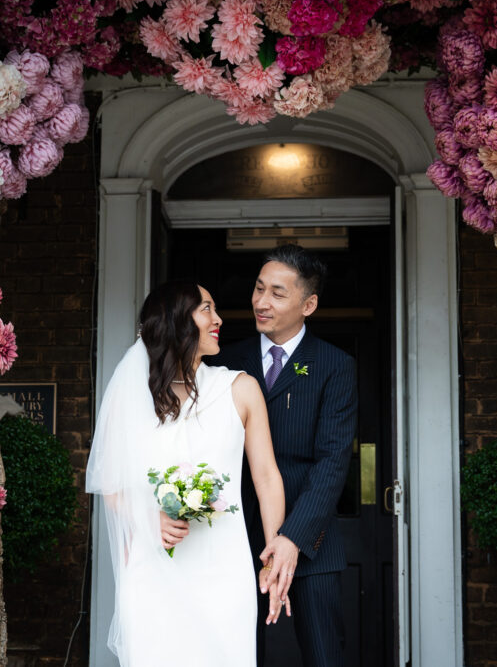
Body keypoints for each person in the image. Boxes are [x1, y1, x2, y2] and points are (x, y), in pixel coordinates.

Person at [86, 280, 290, 667]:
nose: (219, 319)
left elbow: (266, 478)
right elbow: (107, 482)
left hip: (223, 568)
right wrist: (149, 517)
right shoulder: (133, 397)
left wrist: (272, 552)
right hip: (154, 565)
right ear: (178, 321)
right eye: (207, 309)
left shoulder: (241, 389)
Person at [211, 244, 358, 667]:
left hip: (311, 542)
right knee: (235, 655)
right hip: (233, 537)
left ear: (308, 304)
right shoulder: (223, 361)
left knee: (323, 655)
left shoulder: (333, 365)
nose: (261, 302)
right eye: (258, 289)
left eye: (277, 293)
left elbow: (333, 462)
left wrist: (292, 537)